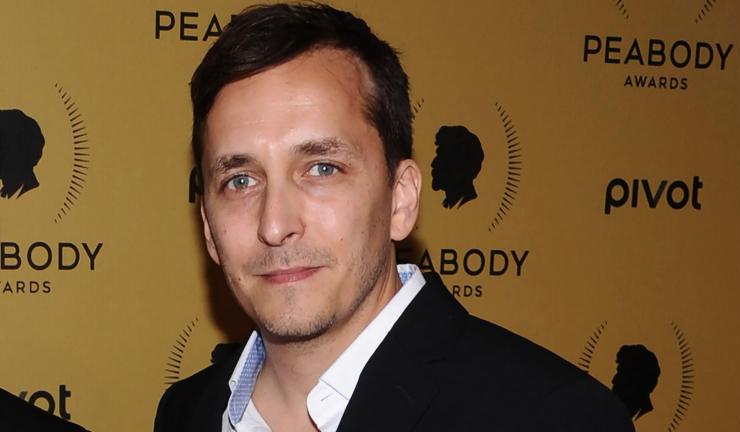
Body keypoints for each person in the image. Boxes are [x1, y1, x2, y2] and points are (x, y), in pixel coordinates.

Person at [154, 3, 634, 431]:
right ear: (209, 230)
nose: (274, 225)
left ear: (401, 201)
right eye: (240, 181)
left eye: (322, 169)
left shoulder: (554, 418)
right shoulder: (186, 411)